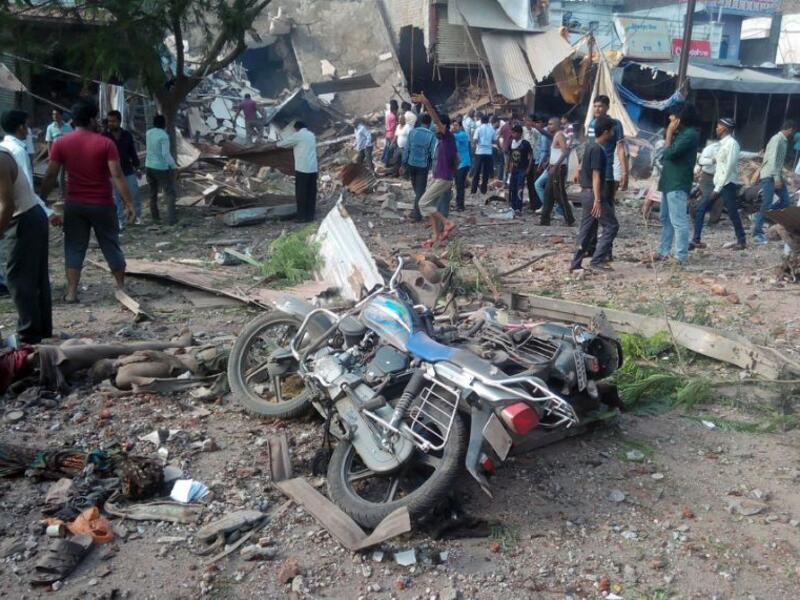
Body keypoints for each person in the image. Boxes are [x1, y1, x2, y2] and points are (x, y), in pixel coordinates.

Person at [41, 101, 135, 303]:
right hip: (102, 203)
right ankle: (120, 287)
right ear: (92, 120)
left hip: (74, 204)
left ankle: (72, 292)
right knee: (111, 244)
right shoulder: (105, 143)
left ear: (73, 121)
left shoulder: (61, 143)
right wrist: (129, 203)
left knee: (74, 247)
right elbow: (117, 176)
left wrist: (40, 199)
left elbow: (50, 176)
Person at [0, 110, 57, 343]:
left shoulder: (3, 157)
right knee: (35, 276)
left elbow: (6, 203)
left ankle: (29, 333)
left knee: (17, 277)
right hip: (30, 215)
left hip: (23, 218)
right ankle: (39, 329)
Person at [651, 103, 699, 265]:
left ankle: (681, 256)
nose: (670, 118)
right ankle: (664, 251)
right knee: (666, 218)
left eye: (673, 115)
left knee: (678, 221)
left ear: (681, 117)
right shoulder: (680, 134)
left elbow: (669, 153)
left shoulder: (690, 135)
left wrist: (669, 133)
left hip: (678, 182)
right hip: (668, 182)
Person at [570, 116, 619, 272]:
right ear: (605, 132)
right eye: (611, 130)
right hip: (593, 195)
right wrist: (598, 200)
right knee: (611, 226)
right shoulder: (598, 149)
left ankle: (575, 263)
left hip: (586, 193)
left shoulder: (590, 146)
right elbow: (596, 176)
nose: (613, 133)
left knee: (587, 229)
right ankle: (597, 261)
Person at [412, 93, 457, 248]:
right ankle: (435, 235)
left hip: (443, 178)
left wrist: (426, 102)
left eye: (437, 127)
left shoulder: (447, 136)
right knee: (430, 206)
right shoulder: (444, 140)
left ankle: (447, 222)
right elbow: (455, 159)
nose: (435, 129)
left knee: (423, 203)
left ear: (443, 127)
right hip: (441, 177)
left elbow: (436, 119)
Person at [695, 118, 745, 250]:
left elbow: (728, 168)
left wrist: (717, 189)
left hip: (726, 184)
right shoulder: (722, 144)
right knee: (701, 209)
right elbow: (717, 164)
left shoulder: (732, 144)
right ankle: (696, 240)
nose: (716, 128)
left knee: (733, 213)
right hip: (719, 183)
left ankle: (742, 241)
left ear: (726, 129)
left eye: (719, 126)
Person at [752, 120, 796, 244]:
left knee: (785, 202)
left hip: (775, 175)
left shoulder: (782, 140)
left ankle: (759, 214)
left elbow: (778, 162)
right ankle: (757, 233)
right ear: (790, 129)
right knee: (766, 204)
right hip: (769, 176)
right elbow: (772, 160)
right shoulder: (777, 139)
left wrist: (786, 172)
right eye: (793, 131)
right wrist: (777, 178)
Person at [104, 110, 142, 226]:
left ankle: (136, 218)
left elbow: (132, 152)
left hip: (127, 170)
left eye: (113, 121)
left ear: (119, 122)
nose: (111, 124)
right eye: (109, 121)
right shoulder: (104, 137)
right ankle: (120, 220)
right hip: (111, 173)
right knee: (115, 199)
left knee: (134, 194)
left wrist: (137, 167)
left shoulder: (127, 135)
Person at [587, 95, 628, 199]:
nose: (597, 109)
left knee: (606, 205)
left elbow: (620, 149)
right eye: (595, 106)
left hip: (607, 172)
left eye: (600, 106)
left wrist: (624, 173)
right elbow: (588, 147)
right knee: (592, 205)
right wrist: (579, 168)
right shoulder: (591, 124)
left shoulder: (615, 124)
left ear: (607, 107)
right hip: (590, 171)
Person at [278, 121, 318, 223]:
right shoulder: (311, 135)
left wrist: (276, 143)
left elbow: (283, 144)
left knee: (301, 194)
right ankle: (310, 216)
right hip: (313, 169)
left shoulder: (298, 135)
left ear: (296, 128)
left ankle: (301, 217)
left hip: (302, 169)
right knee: (311, 193)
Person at [145, 115, 178, 225]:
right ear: (164, 124)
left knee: (152, 193)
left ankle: (155, 218)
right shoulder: (164, 136)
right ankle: (172, 219)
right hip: (160, 168)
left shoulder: (148, 133)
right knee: (170, 192)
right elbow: (165, 154)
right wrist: (174, 165)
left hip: (148, 165)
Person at [540, 118, 574, 226]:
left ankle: (569, 219)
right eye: (548, 124)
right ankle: (544, 221)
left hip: (558, 169)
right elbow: (556, 152)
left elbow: (565, 153)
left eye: (551, 124)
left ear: (557, 125)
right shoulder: (556, 135)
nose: (549, 126)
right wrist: (550, 163)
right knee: (548, 194)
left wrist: (555, 166)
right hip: (554, 167)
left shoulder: (560, 135)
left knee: (559, 195)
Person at [403, 114, 437, 221]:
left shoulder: (412, 132)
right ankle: (418, 214)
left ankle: (417, 211)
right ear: (429, 123)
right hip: (423, 166)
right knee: (420, 190)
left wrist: (403, 163)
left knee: (416, 188)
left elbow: (406, 149)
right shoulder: (431, 135)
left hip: (411, 164)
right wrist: (433, 165)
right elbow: (433, 153)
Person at [690, 138, 722, 249]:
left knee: (718, 202)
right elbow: (701, 162)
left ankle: (712, 221)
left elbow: (742, 154)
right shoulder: (709, 150)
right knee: (703, 204)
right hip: (707, 179)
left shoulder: (728, 148)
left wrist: (756, 154)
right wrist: (712, 161)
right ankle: (696, 238)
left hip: (721, 179)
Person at [505, 125, 533, 216]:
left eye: (515, 133)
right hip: (514, 169)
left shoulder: (525, 144)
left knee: (519, 188)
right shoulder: (511, 144)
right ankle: (513, 206)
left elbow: (531, 155)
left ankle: (518, 208)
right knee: (512, 187)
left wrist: (528, 168)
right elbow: (509, 156)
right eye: (512, 133)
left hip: (522, 169)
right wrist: (507, 167)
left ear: (520, 134)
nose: (513, 134)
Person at [45, 109, 73, 199]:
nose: (55, 116)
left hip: (68, 154)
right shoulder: (50, 127)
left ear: (61, 115)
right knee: (60, 176)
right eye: (53, 114)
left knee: (70, 174)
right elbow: (49, 142)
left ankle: (71, 193)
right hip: (57, 155)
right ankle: (62, 195)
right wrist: (50, 155)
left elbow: (73, 141)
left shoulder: (68, 127)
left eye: (57, 114)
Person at [471, 114, 495, 195]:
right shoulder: (492, 129)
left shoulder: (479, 128)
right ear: (488, 121)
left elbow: (475, 140)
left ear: (481, 121)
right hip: (488, 152)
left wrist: (474, 149)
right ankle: (483, 189)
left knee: (477, 171)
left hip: (480, 152)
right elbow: (494, 140)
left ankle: (473, 190)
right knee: (486, 172)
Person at [452, 118, 471, 211]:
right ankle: (459, 203)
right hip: (459, 163)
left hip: (463, 163)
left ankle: (460, 206)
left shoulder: (462, 135)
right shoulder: (456, 135)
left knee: (460, 185)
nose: (454, 127)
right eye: (453, 125)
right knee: (458, 185)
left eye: (456, 125)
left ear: (460, 126)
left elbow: (450, 136)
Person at [382, 100, 399, 166]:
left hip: (388, 134)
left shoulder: (388, 115)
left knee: (387, 148)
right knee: (390, 150)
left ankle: (385, 160)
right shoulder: (393, 116)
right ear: (394, 110)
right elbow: (393, 127)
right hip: (392, 134)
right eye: (396, 110)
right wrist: (397, 124)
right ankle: (387, 163)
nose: (397, 111)